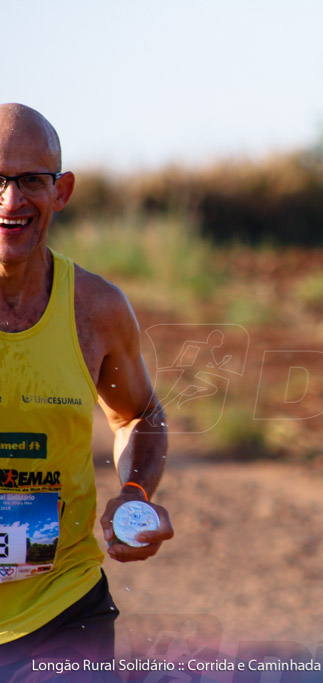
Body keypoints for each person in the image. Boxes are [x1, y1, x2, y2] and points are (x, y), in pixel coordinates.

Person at [0, 104, 174, 675]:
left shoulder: (95, 308)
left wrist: (135, 492)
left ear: (62, 190)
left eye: (30, 179)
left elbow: (140, 414)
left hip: (63, 610)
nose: (11, 201)